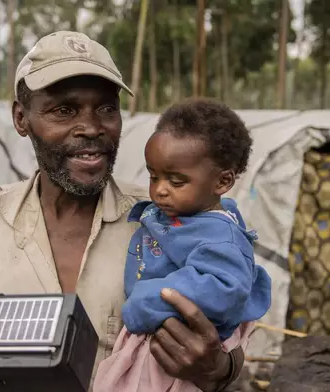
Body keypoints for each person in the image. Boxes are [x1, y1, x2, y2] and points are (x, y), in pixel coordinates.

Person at [0, 31, 246, 392]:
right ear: (22, 118)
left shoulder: (171, 220)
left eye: (106, 108)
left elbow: (234, 339)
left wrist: (217, 368)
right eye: (64, 110)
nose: (91, 127)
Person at [93, 99, 272, 392]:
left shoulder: (218, 235)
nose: (160, 189)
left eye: (176, 181)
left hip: (171, 351)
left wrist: (145, 301)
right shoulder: (180, 214)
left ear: (222, 181)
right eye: (153, 176)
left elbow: (221, 287)